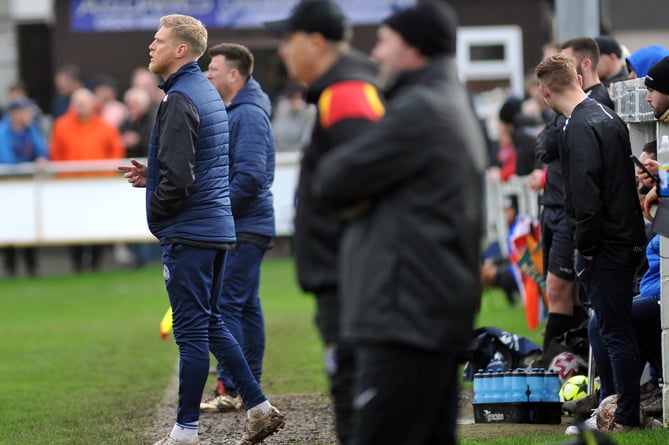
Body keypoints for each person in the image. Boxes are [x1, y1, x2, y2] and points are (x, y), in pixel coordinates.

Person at [313, 2, 486, 443]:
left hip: (406, 317)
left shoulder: (421, 109)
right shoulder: (446, 98)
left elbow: (331, 179)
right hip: (429, 311)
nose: (376, 53)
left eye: (385, 40)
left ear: (414, 49)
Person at [118, 14, 284, 445]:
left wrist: (159, 202)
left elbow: (180, 180)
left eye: (157, 41)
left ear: (180, 50)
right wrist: (155, 175)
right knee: (211, 324)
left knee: (191, 333)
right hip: (214, 228)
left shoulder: (178, 99)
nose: (150, 47)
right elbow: (197, 165)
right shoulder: (204, 92)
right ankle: (260, 408)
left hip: (190, 232)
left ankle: (185, 433)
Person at [264, 1, 385, 442]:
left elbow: (369, 182)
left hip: (351, 277)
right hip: (344, 272)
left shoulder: (346, 94)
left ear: (315, 42)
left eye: (287, 39)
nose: (281, 51)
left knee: (357, 401)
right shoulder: (337, 90)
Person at [536, 53, 646, 432]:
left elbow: (585, 194)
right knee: (606, 328)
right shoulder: (607, 115)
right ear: (579, 80)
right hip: (625, 236)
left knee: (615, 331)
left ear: (545, 91)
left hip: (606, 243)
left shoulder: (578, 126)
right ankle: (610, 407)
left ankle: (625, 417)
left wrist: (583, 248)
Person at [199, 42, 275, 413]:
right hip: (247, 225)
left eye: (212, 68)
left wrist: (216, 212)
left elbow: (250, 177)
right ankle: (247, 386)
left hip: (243, 226)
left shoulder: (247, 115)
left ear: (234, 74)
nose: (207, 74)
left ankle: (232, 387)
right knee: (244, 306)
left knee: (228, 304)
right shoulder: (241, 111)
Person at [50, 87, 125, 272]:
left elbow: (115, 152)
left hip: (97, 186)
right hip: (71, 186)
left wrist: (105, 176)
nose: (80, 107)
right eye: (77, 103)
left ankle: (95, 263)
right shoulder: (61, 126)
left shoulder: (105, 126)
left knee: (96, 223)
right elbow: (56, 153)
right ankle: (77, 263)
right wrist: (64, 176)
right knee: (73, 224)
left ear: (93, 105)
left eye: (84, 103)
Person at [0, 98, 48, 277]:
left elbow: (42, 152)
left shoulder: (30, 130)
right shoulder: (3, 132)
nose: (27, 115)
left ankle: (31, 267)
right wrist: (26, 165)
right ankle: (11, 268)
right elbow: (6, 159)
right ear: (14, 114)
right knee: (10, 227)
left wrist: (40, 159)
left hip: (27, 187)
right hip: (8, 189)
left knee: (28, 224)